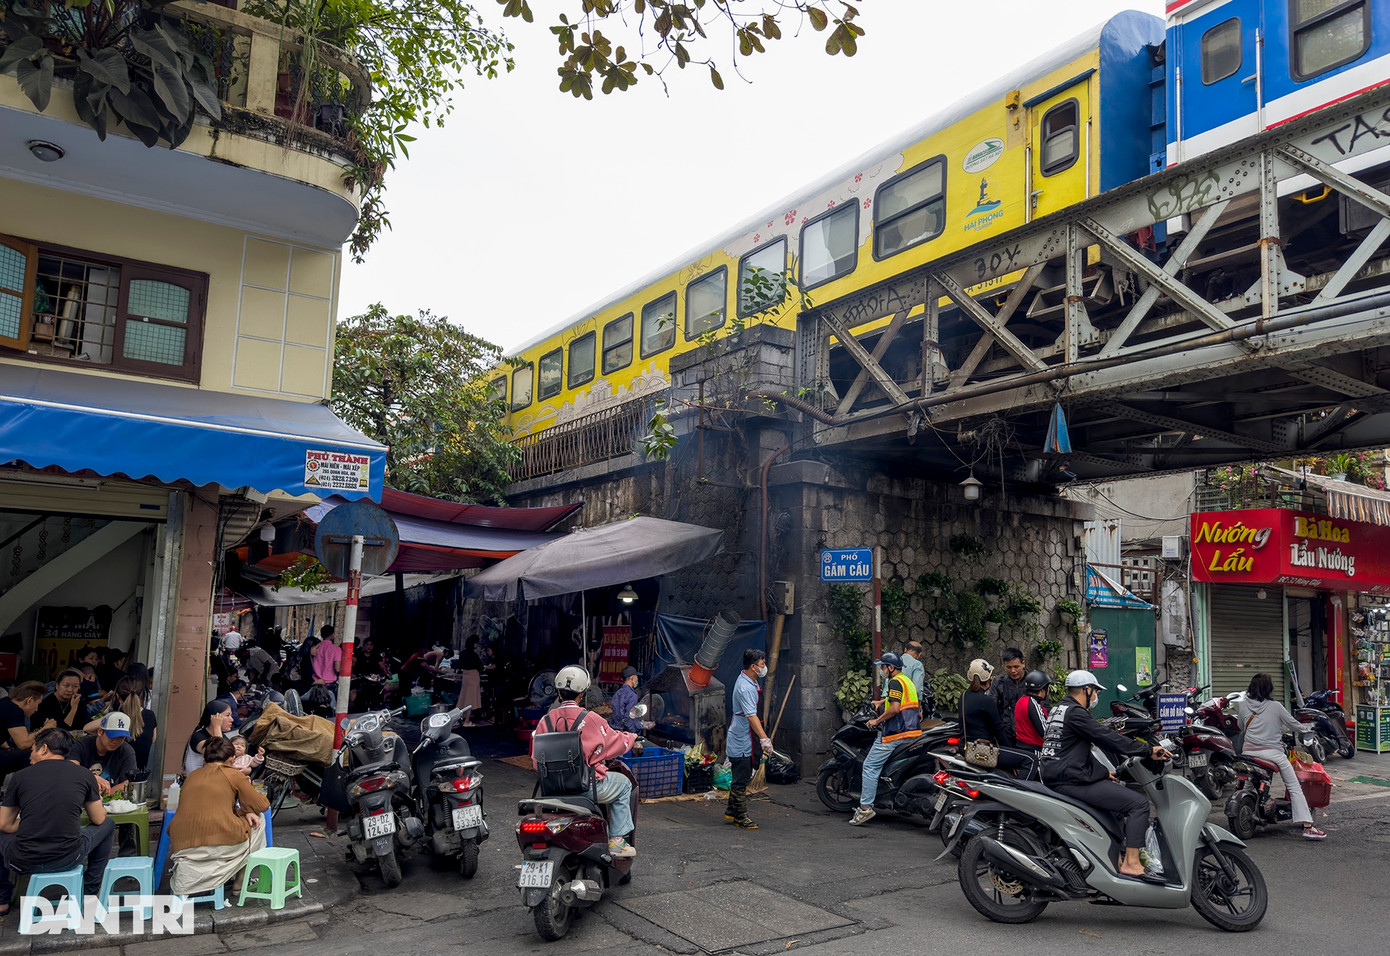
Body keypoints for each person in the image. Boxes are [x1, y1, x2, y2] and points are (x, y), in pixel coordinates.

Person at [1040, 670, 1170, 879]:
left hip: (1060, 775)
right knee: (1138, 804)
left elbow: (1072, 749)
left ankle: (1114, 857)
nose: (1096, 696)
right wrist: (1148, 750)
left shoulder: (1059, 709)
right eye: (1095, 691)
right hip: (1070, 781)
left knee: (1117, 807)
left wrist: (1102, 772)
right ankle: (1132, 863)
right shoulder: (1076, 712)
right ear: (1086, 689)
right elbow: (1106, 737)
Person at [0, 728, 113, 917]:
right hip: (69, 858)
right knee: (108, 825)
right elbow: (99, 818)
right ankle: (90, 891)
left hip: (22, 861)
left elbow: (4, 824)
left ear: (43, 749)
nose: (30, 756)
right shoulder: (85, 775)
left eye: (32, 750)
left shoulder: (20, 777)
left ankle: (2, 899)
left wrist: (32, 822)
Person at [529, 665, 638, 858]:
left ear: (559, 694)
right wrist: (632, 738)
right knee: (624, 785)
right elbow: (615, 742)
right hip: (586, 788)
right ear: (582, 694)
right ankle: (617, 840)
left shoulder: (545, 721)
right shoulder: (592, 719)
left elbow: (535, 761)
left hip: (551, 789)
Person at [168, 736, 270, 894]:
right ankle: (240, 883)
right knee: (259, 821)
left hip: (180, 843)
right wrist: (248, 811)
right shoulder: (234, 774)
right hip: (216, 842)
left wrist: (244, 811)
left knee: (247, 818)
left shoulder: (192, 776)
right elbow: (262, 805)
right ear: (232, 758)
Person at [1237, 673, 1327, 840]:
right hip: (1273, 753)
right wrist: (1309, 729)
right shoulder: (1276, 706)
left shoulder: (1242, 706)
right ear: (1269, 689)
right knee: (1293, 786)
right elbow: (1293, 724)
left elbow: (1241, 726)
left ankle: (1251, 810)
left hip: (1248, 752)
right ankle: (1307, 825)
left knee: (1249, 784)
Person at [850, 652, 921, 826]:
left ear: (890, 668)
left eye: (883, 666)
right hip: (912, 731)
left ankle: (865, 809)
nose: (881, 670)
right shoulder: (906, 680)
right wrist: (881, 703)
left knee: (869, 766)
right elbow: (899, 700)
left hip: (896, 733)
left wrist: (876, 720)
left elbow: (896, 708)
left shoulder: (895, 682)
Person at [725, 649, 774, 830]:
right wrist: (764, 739)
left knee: (740, 775)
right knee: (741, 778)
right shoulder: (745, 687)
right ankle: (741, 817)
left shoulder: (750, 681)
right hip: (741, 738)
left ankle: (731, 810)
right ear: (753, 667)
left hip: (743, 734)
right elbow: (752, 716)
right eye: (762, 664)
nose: (764, 667)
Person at [69, 712, 137, 795]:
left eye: (121, 737)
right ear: (100, 732)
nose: (116, 741)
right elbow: (70, 769)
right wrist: (91, 777)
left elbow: (127, 783)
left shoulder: (126, 751)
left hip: (108, 799)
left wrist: (103, 798)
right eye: (112, 736)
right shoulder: (82, 744)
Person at [0, 682, 51, 780]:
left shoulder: (5, 702)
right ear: (30, 700)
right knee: (32, 754)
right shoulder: (14, 710)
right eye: (37, 704)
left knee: (9, 750)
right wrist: (46, 728)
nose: (36, 709)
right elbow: (23, 743)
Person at [988, 646, 1027, 745]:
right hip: (1004, 734)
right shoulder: (998, 683)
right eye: (1009, 667)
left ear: (1023, 664)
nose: (1013, 671)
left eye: (1016, 667)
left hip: (1027, 735)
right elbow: (992, 708)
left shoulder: (1033, 682)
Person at [184, 699, 235, 774]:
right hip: (197, 782)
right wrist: (217, 726)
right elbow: (219, 755)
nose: (232, 719)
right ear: (214, 717)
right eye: (227, 715)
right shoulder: (198, 737)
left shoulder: (222, 736)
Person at [1013, 670, 1051, 769]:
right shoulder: (1033, 703)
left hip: (1021, 748)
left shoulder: (1021, 701)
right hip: (1034, 750)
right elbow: (1044, 731)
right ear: (1043, 689)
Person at [609, 666, 652, 734]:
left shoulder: (618, 693)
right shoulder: (632, 695)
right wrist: (637, 729)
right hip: (624, 733)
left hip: (614, 731)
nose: (637, 679)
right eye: (636, 677)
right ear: (632, 678)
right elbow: (628, 719)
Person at [454, 635, 484, 724]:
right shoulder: (474, 655)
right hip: (473, 676)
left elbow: (459, 665)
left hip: (465, 675)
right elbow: (480, 666)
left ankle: (456, 718)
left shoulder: (462, 653)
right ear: (473, 643)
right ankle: (467, 720)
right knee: (470, 699)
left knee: (463, 697)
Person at [311, 625, 342, 711]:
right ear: (333, 635)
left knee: (315, 710)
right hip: (329, 685)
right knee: (332, 710)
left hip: (315, 683)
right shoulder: (336, 649)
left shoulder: (316, 647)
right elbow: (338, 668)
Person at [900, 641, 926, 714]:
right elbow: (917, 688)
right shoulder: (917, 664)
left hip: (888, 701)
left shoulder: (895, 661)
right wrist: (919, 707)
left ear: (905, 649)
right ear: (919, 655)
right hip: (906, 705)